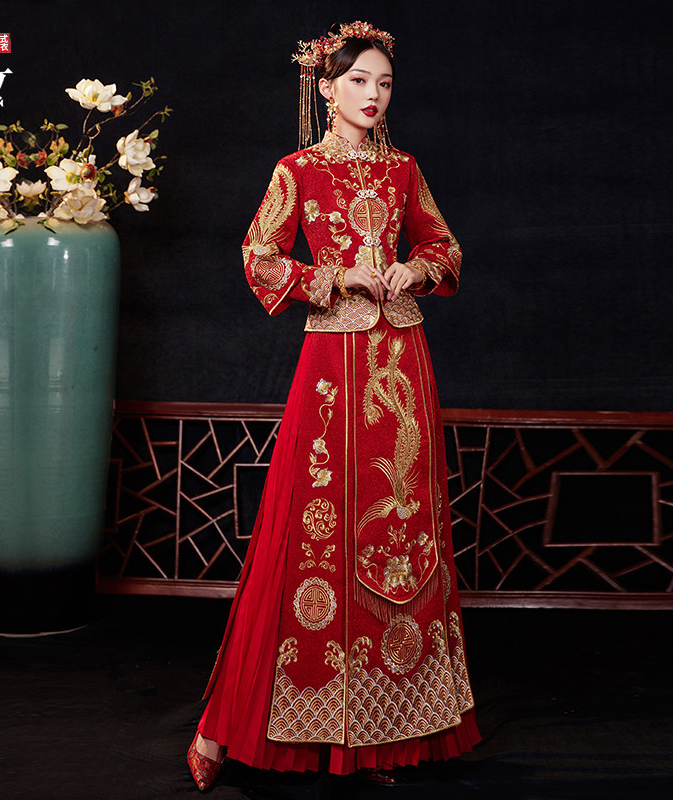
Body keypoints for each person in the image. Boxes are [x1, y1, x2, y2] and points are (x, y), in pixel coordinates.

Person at [187, 20, 480, 791]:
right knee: (317, 531)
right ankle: (238, 728)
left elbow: (447, 248)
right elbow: (258, 255)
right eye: (357, 81)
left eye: (384, 83)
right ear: (325, 88)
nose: (373, 95)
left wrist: (416, 271)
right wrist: (335, 278)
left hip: (401, 364)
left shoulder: (405, 170)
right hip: (332, 374)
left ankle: (378, 737)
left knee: (398, 533)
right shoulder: (298, 172)